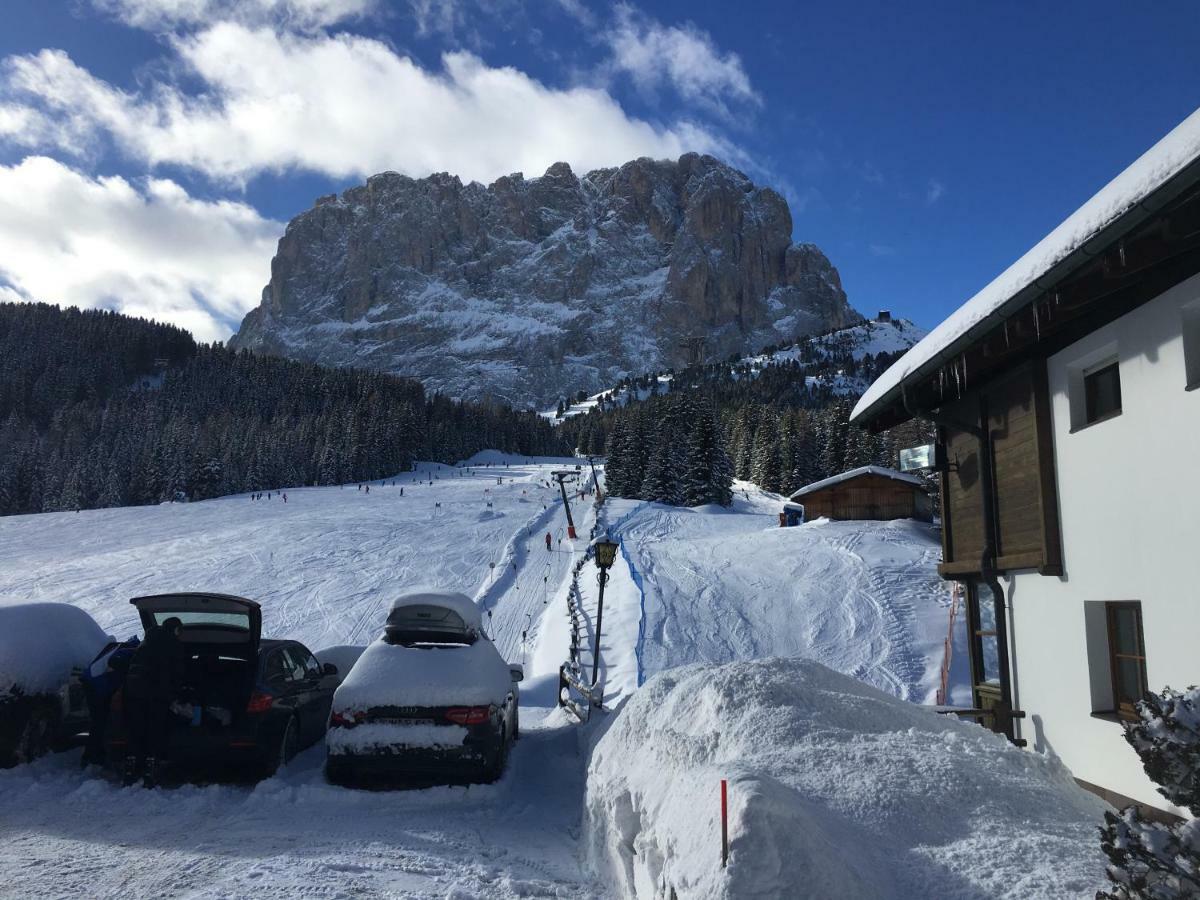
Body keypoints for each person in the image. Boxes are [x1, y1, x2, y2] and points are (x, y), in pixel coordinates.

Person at [122, 617, 183, 788]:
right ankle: (151, 767)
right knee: (155, 728)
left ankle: (130, 767)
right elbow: (177, 673)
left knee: (136, 727)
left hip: (133, 691)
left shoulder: (146, 642)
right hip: (157, 693)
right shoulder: (172, 644)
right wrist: (177, 694)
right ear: (176, 629)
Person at [79, 635, 140, 768]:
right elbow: (114, 663)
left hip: (94, 683)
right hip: (96, 686)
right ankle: (92, 757)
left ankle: (95, 754)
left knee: (101, 720)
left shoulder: (123, 648)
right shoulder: (130, 651)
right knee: (99, 721)